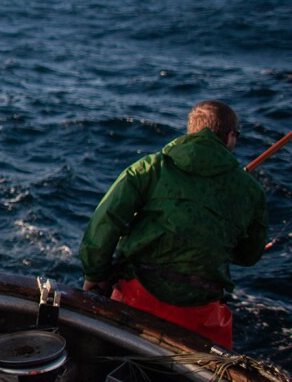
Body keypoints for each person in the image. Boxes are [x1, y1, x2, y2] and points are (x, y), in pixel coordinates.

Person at [79, 100, 268, 348]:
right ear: (231, 136)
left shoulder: (149, 168)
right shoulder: (251, 191)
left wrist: (95, 274)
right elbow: (249, 255)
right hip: (201, 316)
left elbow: (106, 219)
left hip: (137, 300)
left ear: (191, 130)